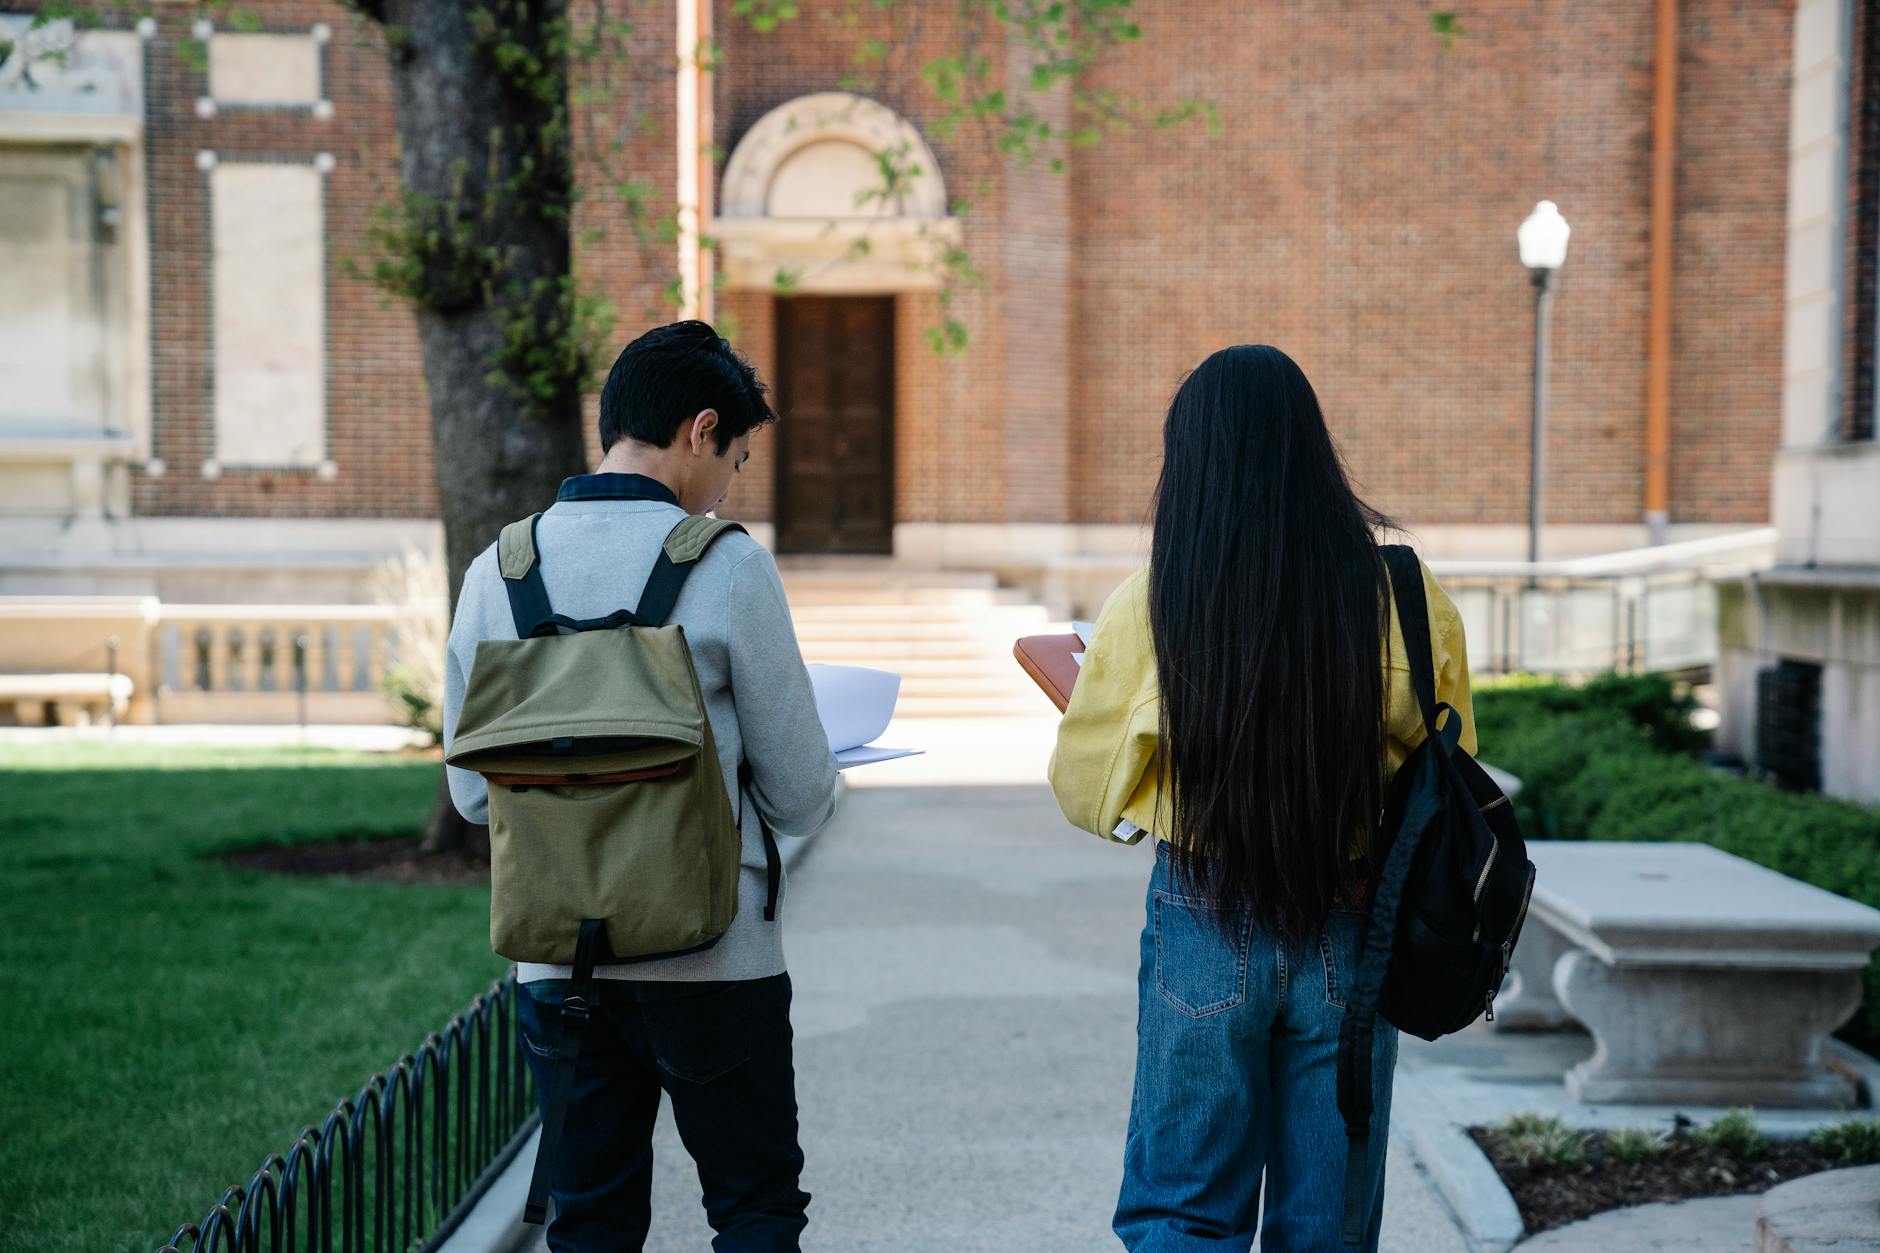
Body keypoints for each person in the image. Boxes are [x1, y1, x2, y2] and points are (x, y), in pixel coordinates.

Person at [1048, 344, 1475, 1252]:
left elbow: (1086, 790)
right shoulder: (1405, 593)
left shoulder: (1155, 598)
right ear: (1312, 450)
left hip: (1205, 906)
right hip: (1354, 922)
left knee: (1182, 1209)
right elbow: (1450, 770)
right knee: (1326, 1224)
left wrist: (1150, 793)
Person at [442, 320, 839, 1252]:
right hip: (715, 961)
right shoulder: (729, 564)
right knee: (753, 1208)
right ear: (701, 430)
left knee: (592, 1222)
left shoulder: (499, 572)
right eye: (735, 459)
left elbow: (471, 797)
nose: (727, 485)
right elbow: (800, 796)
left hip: (556, 970)